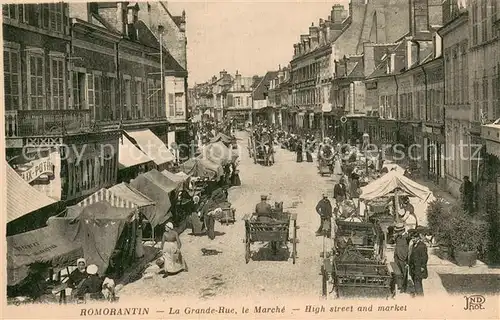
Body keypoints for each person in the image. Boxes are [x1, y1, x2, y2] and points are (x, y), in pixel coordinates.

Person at [408, 229, 428, 296]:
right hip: (413, 267)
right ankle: (418, 294)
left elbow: (425, 257)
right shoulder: (414, 245)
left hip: (419, 267)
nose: (413, 239)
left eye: (414, 238)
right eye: (412, 238)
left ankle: (420, 297)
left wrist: (422, 266)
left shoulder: (422, 245)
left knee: (418, 282)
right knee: (415, 281)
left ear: (417, 238)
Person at [393, 223, 409, 293]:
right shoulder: (397, 237)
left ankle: (404, 287)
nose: (396, 232)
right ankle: (399, 285)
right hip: (397, 257)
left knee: (404, 273)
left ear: (402, 230)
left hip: (403, 258)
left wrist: (407, 259)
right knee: (397, 272)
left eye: (398, 231)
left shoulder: (407, 237)